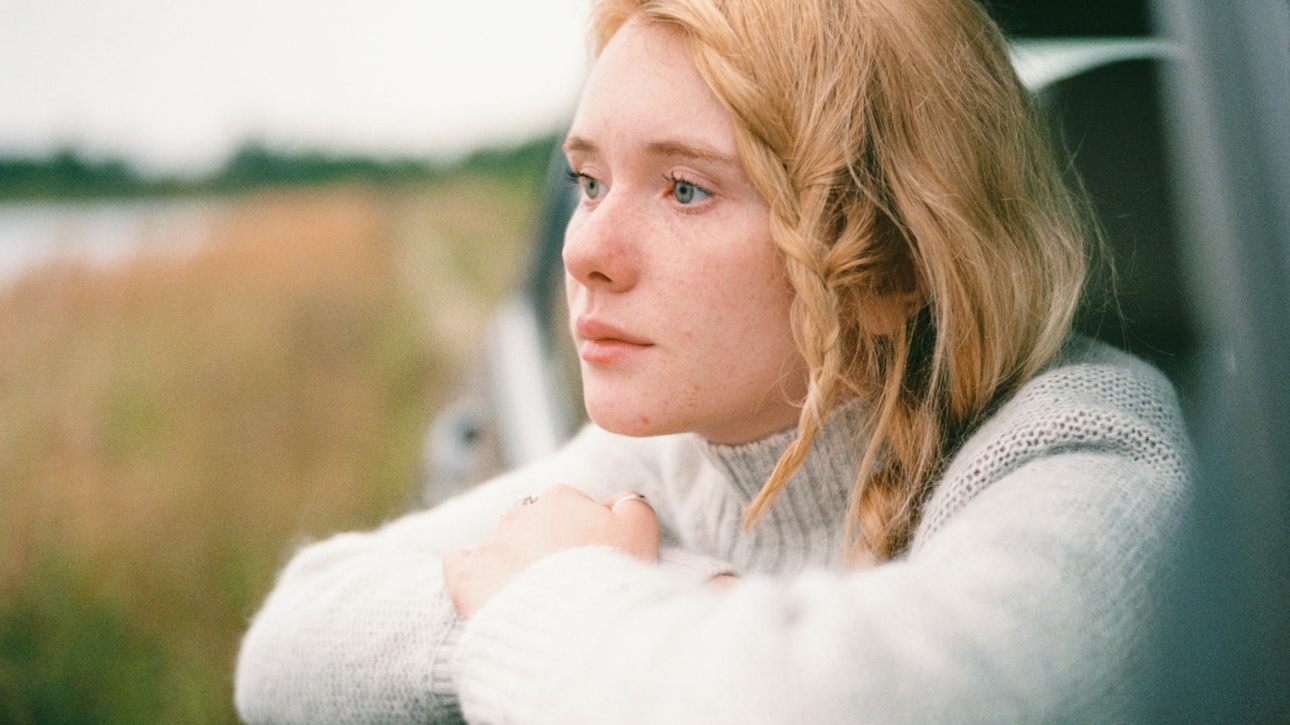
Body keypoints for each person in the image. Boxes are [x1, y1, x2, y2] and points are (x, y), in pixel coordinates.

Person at [234, 0, 1192, 723]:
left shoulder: (1088, 446)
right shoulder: (674, 458)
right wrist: (620, 595)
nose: (581, 250)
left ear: (891, 262)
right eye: (588, 181)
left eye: (684, 188)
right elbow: (289, 641)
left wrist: (563, 591)